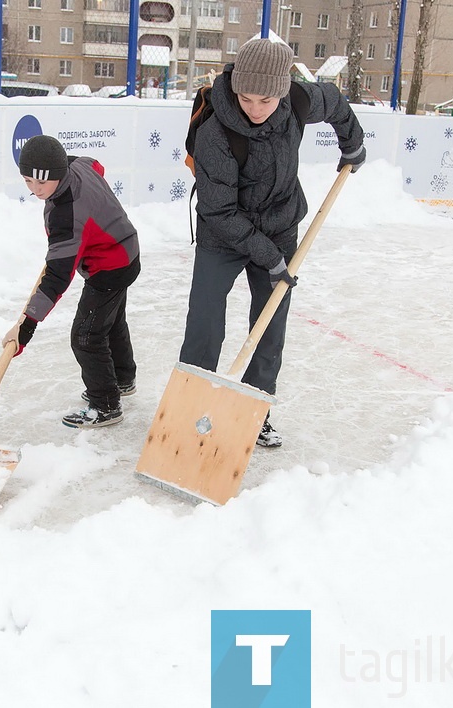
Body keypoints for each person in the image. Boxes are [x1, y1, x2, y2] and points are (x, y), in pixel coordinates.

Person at [179, 38, 366, 447]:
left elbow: (334, 101)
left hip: (280, 224)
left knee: (269, 328)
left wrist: (352, 142)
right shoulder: (216, 133)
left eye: (265, 100)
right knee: (204, 322)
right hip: (223, 233)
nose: (255, 108)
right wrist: (271, 258)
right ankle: (190, 406)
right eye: (246, 97)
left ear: (282, 92)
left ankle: (253, 411)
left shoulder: (298, 100)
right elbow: (220, 212)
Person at [3, 135, 141, 429]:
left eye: (42, 183)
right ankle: (122, 379)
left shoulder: (66, 214)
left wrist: (25, 326)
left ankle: (105, 404)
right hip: (127, 249)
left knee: (86, 335)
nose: (36, 190)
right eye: (28, 181)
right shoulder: (77, 165)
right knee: (111, 322)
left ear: (58, 174)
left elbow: (56, 278)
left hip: (110, 266)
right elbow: (97, 165)